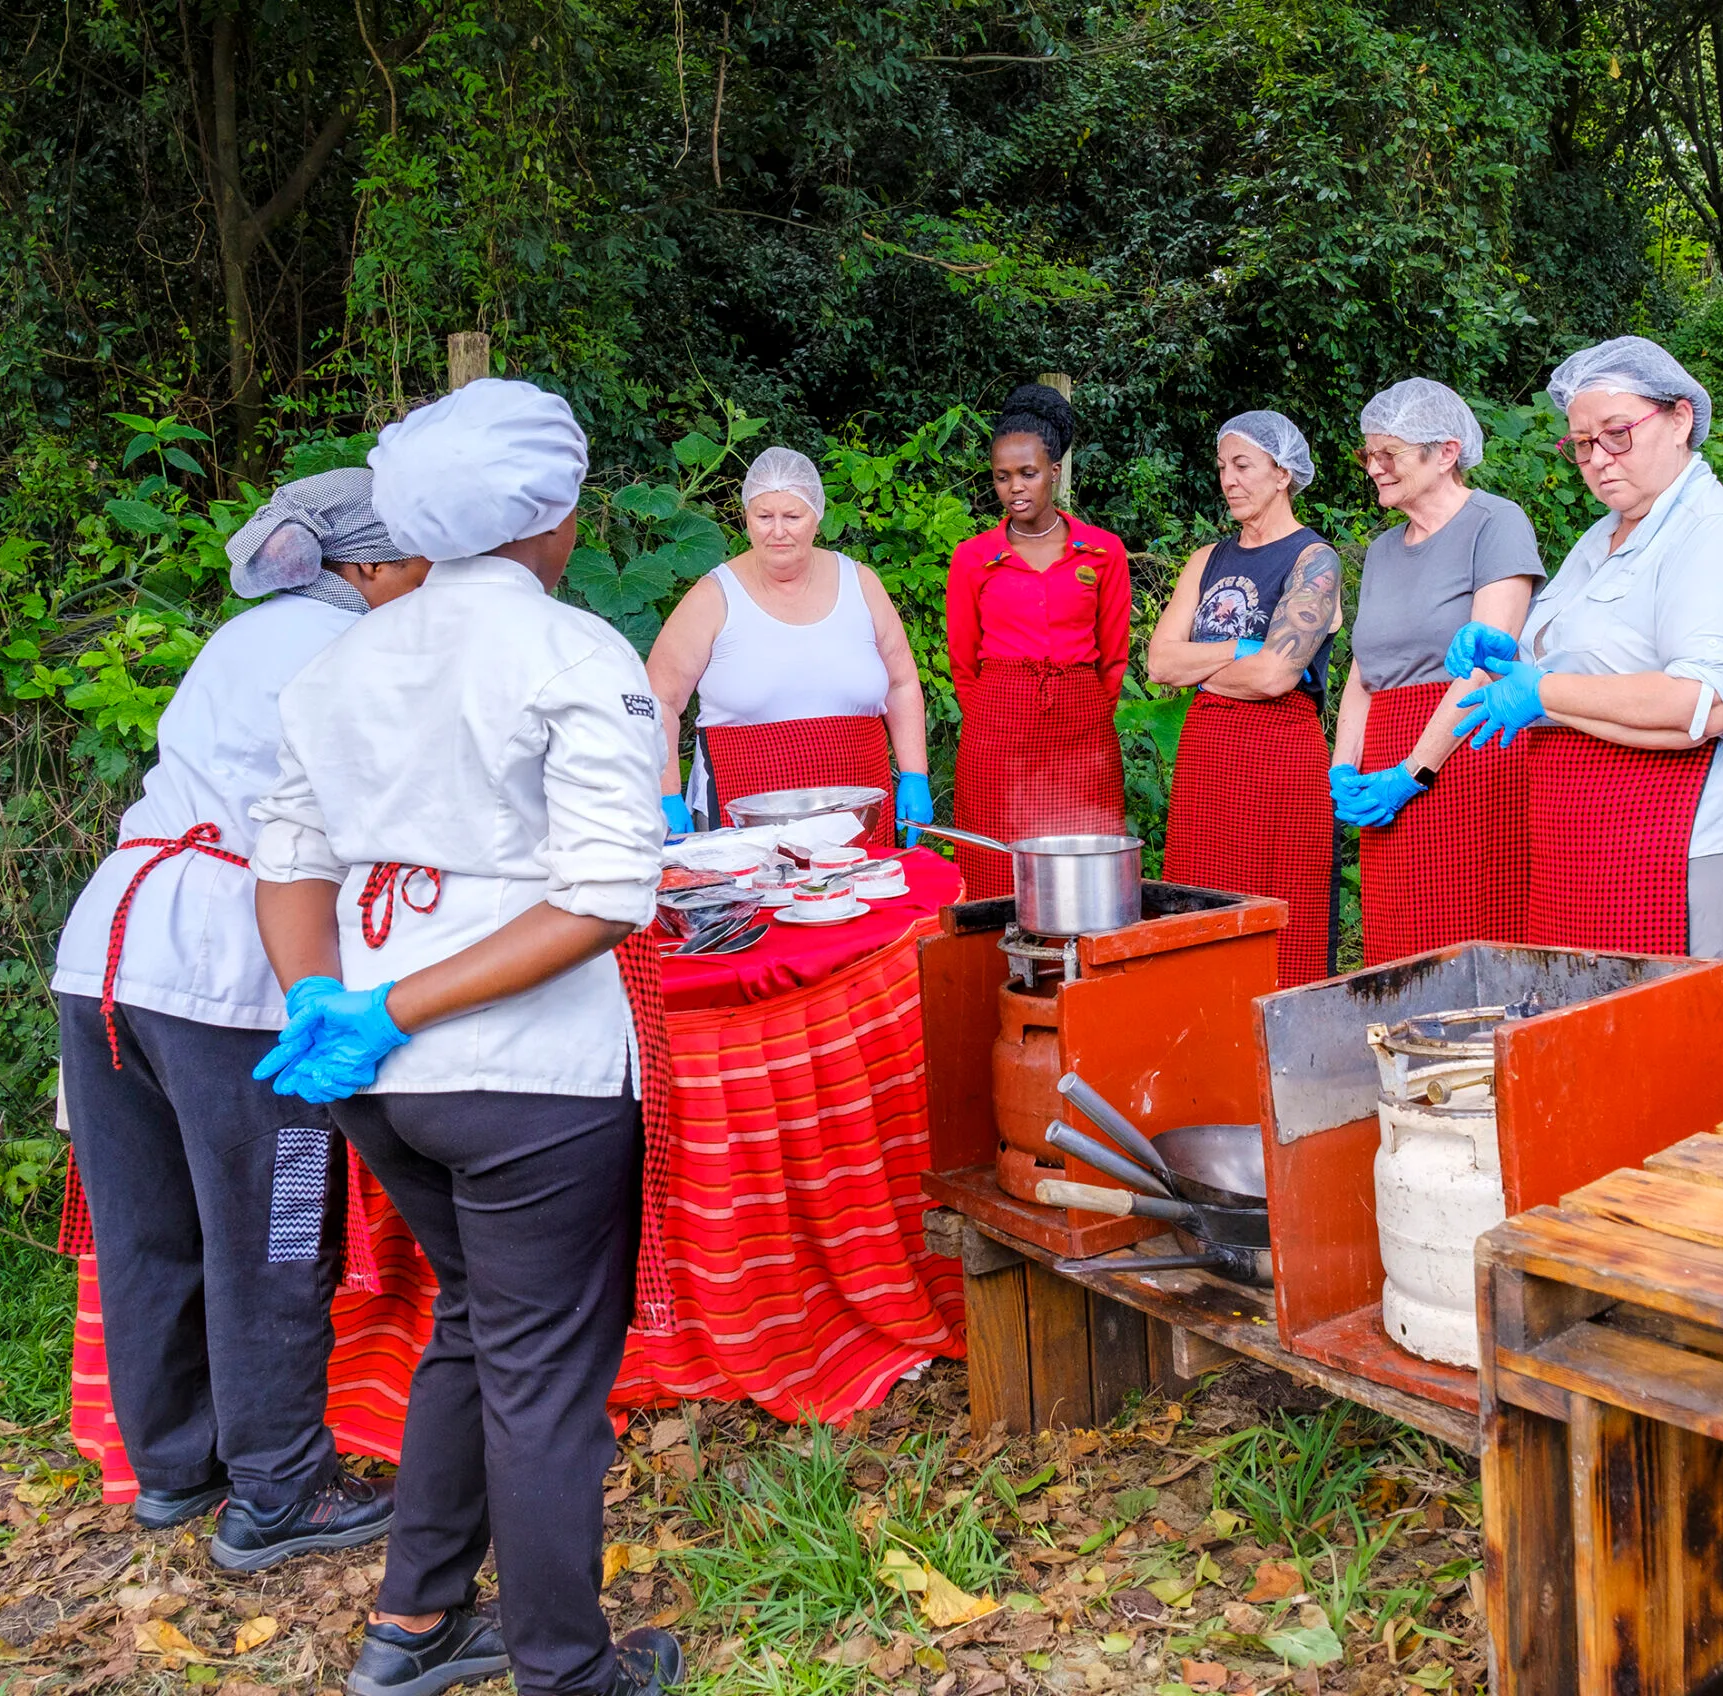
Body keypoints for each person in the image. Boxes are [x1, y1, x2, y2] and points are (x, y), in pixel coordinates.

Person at [248, 379, 683, 1696]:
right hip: (527, 1082)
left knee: (477, 1328)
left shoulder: (342, 657)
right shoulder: (569, 652)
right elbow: (609, 893)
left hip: (382, 1086)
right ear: (551, 519)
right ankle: (564, 1668)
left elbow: (289, 860)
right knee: (546, 1376)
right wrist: (392, 1005)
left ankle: (415, 1625)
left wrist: (329, 1000)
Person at [51, 471, 424, 1562]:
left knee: (148, 1226)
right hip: (230, 964)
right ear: (363, 567)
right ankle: (279, 1490)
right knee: (274, 1228)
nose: (428, 583)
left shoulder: (240, 635)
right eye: (414, 563)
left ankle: (175, 1468)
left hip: (110, 947)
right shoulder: (352, 652)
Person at [1449, 340, 1723, 961]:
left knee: (1654, 1027)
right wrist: (1515, 663)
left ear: (1680, 418)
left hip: (1675, 826)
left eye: (1617, 434)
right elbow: (1585, 662)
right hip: (1581, 818)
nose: (1598, 459)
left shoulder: (1715, 533)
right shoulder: (1601, 536)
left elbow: (1705, 705)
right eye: (1581, 444)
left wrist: (1541, 691)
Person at [1333, 378, 1546, 964]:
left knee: (1467, 938)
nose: (1374, 467)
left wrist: (1413, 773)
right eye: (1368, 454)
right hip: (1387, 753)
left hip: (1469, 749)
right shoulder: (1380, 550)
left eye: (1389, 453)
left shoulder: (1495, 523)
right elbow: (1365, 667)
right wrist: (1343, 767)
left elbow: (1483, 668)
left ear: (1446, 452)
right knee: (1396, 943)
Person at [645, 446, 931, 846]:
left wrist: (915, 775)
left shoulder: (861, 584)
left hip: (858, 812)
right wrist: (666, 793)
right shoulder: (714, 596)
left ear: (817, 517)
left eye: (792, 516)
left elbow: (901, 683)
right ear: (746, 517)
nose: (777, 531)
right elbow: (658, 699)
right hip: (743, 814)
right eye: (764, 517)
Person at [1146, 412, 1342, 984]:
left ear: (1282, 473)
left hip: (1281, 757)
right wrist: (1238, 648)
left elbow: (1275, 677)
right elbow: (1159, 661)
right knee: (1199, 909)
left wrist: (1201, 669)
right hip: (1207, 758)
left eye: (1243, 465)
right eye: (1222, 467)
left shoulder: (1313, 559)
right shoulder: (1208, 559)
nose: (1229, 480)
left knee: (1284, 911)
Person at [945, 383, 1133, 900]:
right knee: (995, 860)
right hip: (997, 727)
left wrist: (1087, 706)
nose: (1015, 488)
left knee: (1082, 864)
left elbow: (1114, 653)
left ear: (1054, 471)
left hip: (1081, 728)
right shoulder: (973, 558)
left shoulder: (1102, 551)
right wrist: (991, 711)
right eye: (1002, 477)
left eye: (1028, 473)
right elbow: (963, 660)